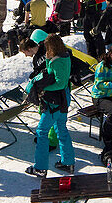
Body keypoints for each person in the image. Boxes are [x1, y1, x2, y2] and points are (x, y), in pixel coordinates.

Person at [25, 35, 75, 177]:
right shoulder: (63, 56)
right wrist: (48, 59)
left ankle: (40, 168)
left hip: (55, 102)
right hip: (63, 100)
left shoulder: (59, 62)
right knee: (61, 130)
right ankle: (68, 162)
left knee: (42, 132)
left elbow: (60, 82)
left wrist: (44, 89)